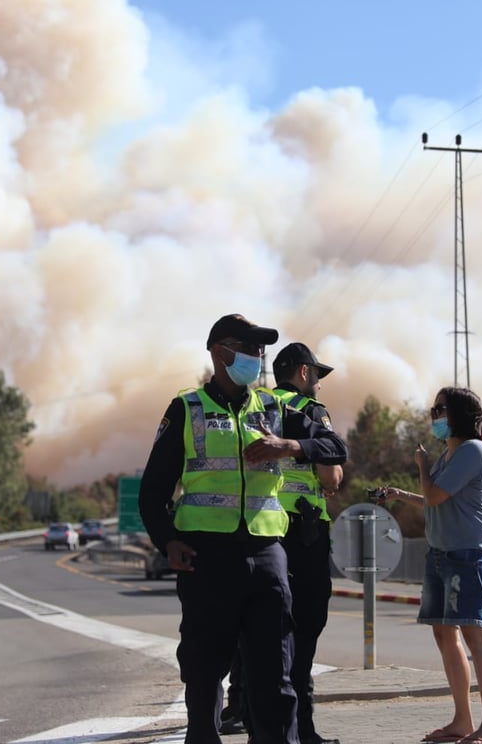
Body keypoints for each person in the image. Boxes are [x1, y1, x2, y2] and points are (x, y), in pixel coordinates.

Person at [139, 314, 348, 744]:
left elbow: (335, 448)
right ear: (220, 352)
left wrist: (289, 445)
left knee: (276, 675)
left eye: (261, 349)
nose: (257, 356)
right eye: (248, 347)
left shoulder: (274, 408)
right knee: (204, 670)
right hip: (207, 556)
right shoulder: (188, 408)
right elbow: (152, 491)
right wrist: (168, 542)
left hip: (267, 554)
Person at [376, 386, 482, 744]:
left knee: (474, 634)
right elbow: (436, 500)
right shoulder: (448, 456)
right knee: (444, 633)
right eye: (434, 410)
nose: (435, 416)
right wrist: (401, 495)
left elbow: (434, 494)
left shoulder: (473, 451)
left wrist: (420, 467)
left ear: (460, 414)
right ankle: (462, 721)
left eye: (441, 410)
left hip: (467, 555)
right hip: (440, 554)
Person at [271, 342, 344, 744]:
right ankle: (304, 730)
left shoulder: (260, 406)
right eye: (317, 375)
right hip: (305, 533)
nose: (318, 383)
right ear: (303, 373)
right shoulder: (311, 412)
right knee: (305, 630)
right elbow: (331, 477)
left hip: (264, 531)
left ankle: (257, 719)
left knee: (266, 629)